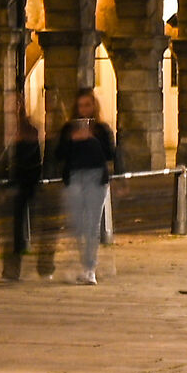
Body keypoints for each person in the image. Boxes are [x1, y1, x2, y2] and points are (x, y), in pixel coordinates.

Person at [57, 88, 115, 283]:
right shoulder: (68, 129)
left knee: (92, 224)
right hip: (74, 178)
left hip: (96, 178)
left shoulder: (101, 129)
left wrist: (92, 139)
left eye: (88, 105)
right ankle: (85, 264)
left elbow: (109, 154)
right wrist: (72, 140)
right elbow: (59, 154)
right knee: (78, 225)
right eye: (80, 105)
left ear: (94, 106)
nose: (84, 109)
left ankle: (90, 268)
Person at [6, 106, 46, 279]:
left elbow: (31, 157)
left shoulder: (28, 132)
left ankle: (35, 263)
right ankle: (16, 265)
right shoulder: (14, 131)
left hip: (28, 181)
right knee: (17, 225)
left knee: (27, 223)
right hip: (20, 182)